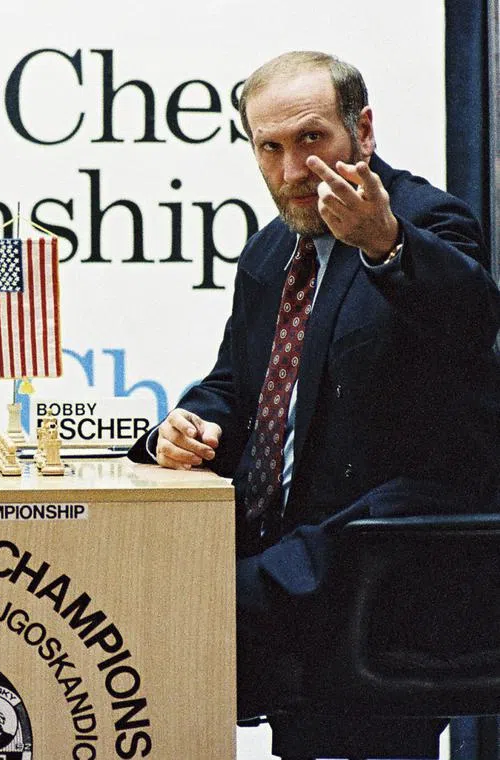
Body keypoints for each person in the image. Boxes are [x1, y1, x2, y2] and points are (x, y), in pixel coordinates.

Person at [128, 51, 500, 718]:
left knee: (180, 600)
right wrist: (180, 428)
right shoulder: (271, 250)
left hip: (384, 570)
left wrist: (384, 242)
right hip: (285, 559)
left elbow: (470, 316)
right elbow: (233, 386)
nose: (291, 171)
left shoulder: (425, 220)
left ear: (364, 129)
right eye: (268, 148)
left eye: (311, 139)